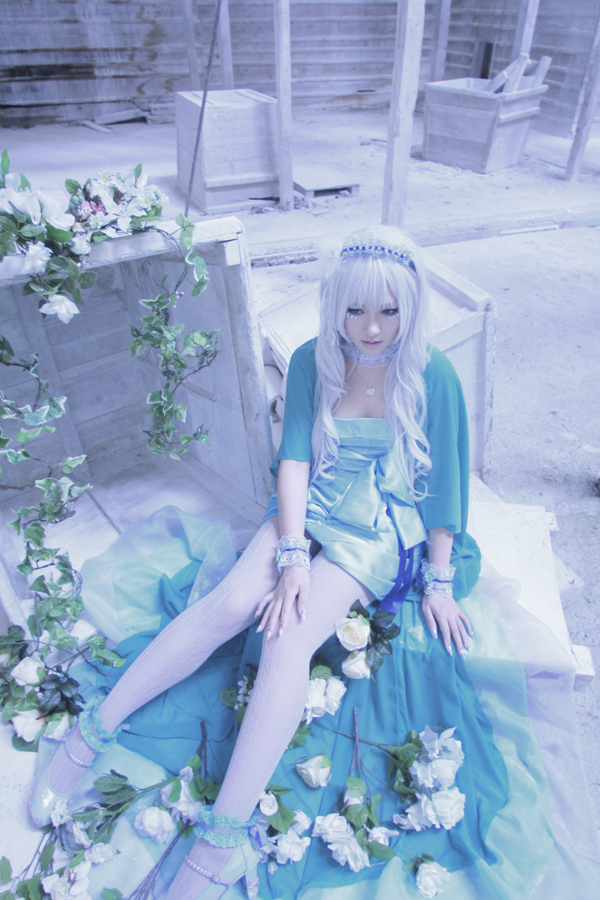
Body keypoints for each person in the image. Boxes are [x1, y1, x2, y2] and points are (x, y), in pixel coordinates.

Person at [29, 227, 597, 900]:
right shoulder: (312, 360)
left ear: (410, 307)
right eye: (356, 309)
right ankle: (90, 734)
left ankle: (219, 844)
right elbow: (294, 459)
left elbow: (446, 487)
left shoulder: (432, 373)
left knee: (288, 636)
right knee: (231, 604)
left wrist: (439, 581)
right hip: (313, 503)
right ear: (335, 304)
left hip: (380, 525)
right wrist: (292, 553)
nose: (372, 327)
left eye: (388, 310)